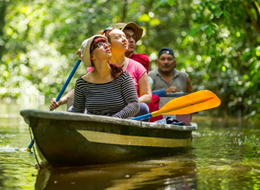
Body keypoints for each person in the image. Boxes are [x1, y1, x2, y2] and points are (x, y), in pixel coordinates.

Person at [71, 35, 140, 118]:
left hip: (120, 127)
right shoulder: (82, 83)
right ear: (92, 56)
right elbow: (77, 112)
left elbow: (134, 104)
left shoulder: (122, 76)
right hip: (94, 128)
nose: (106, 45)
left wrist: (115, 118)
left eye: (106, 43)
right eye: (99, 44)